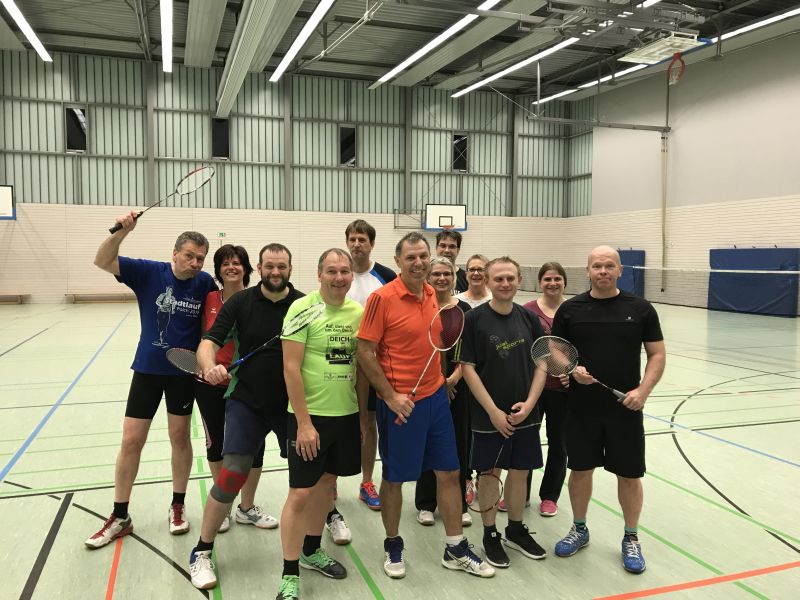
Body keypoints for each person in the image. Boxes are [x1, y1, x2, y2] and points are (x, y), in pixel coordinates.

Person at [357, 232, 494, 580]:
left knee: (449, 472)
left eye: (423, 256)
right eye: (411, 258)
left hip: (435, 401)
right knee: (395, 478)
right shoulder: (381, 298)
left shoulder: (433, 293)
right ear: (399, 261)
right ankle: (392, 542)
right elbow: (365, 352)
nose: (418, 263)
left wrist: (443, 384)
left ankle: (455, 546)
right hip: (402, 405)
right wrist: (390, 396)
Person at [85, 212, 216, 549]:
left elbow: (216, 319)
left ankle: (177, 505)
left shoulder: (204, 284)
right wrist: (121, 232)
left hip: (183, 374)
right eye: (189, 256)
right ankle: (120, 515)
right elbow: (102, 260)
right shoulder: (148, 272)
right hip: (147, 369)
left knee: (179, 438)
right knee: (131, 441)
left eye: (200, 258)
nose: (195, 263)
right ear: (174, 253)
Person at [187, 244, 302, 590]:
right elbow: (209, 341)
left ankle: (309, 548)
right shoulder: (240, 302)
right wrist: (209, 367)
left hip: (290, 405)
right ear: (261, 267)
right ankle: (202, 552)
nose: (276, 271)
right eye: (270, 265)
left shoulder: (303, 305)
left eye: (282, 265)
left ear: (290, 267)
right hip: (246, 401)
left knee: (310, 478)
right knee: (232, 471)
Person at [551, 246, 665, 574]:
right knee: (581, 470)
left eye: (609, 266)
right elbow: (556, 352)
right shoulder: (571, 310)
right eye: (597, 266)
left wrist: (643, 390)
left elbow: (657, 354)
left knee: (629, 475)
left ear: (619, 270)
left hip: (625, 409)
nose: (603, 271)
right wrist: (572, 370)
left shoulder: (640, 309)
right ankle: (580, 528)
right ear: (587, 271)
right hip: (581, 409)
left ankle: (631, 537)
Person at [275, 248, 367, 600]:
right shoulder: (301, 309)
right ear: (319, 274)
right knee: (300, 492)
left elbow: (360, 370)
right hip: (309, 419)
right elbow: (290, 368)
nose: (339, 277)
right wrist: (303, 424)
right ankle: (289, 572)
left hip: (344, 417)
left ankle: (312, 550)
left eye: (345, 271)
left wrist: (360, 417)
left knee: (327, 485)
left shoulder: (357, 312)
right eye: (332, 270)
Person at [460, 256, 548, 569]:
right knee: (489, 473)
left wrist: (530, 403)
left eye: (510, 278)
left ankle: (514, 528)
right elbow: (467, 368)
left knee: (521, 470)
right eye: (498, 279)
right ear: (487, 281)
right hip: (488, 416)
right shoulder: (473, 319)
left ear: (520, 280)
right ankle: (490, 533)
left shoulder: (528, 318)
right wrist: (493, 412)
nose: (505, 283)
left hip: (525, 413)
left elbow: (542, 363)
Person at [194, 244, 278, 533]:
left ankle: (247, 507)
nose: (231, 267)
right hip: (210, 385)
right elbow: (204, 339)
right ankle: (224, 508)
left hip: (245, 386)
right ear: (217, 270)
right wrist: (207, 367)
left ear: (247, 268)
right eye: (225, 263)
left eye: (237, 262)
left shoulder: (256, 299)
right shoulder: (208, 299)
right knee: (218, 446)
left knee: (254, 449)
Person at [322, 219, 395, 546]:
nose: (356, 244)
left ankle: (367, 482)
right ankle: (331, 482)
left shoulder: (386, 276)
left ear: (371, 243)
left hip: (375, 363)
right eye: (351, 238)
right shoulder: (339, 276)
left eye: (362, 239)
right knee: (340, 421)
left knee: (368, 424)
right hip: (339, 361)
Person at [414, 257, 472, 529]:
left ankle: (459, 503)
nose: (441, 278)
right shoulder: (419, 306)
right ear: (427, 276)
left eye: (446, 273)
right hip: (428, 387)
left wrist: (451, 381)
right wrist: (439, 382)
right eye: (435, 273)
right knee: (426, 443)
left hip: (458, 387)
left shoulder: (466, 309)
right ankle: (426, 503)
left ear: (454, 275)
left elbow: (470, 354)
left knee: (458, 444)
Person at [522, 262, 569, 518]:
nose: (552, 283)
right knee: (527, 441)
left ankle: (550, 496)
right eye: (547, 279)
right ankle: (520, 491)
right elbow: (524, 347)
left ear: (564, 282)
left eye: (557, 279)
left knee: (559, 444)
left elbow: (581, 347)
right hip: (534, 387)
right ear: (540, 282)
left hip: (563, 392)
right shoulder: (528, 311)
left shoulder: (574, 309)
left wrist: (572, 372)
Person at [435, 229, 468, 294]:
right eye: (443, 246)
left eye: (452, 246)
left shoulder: (466, 278)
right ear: (436, 248)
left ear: (458, 250)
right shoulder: (426, 277)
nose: (447, 250)